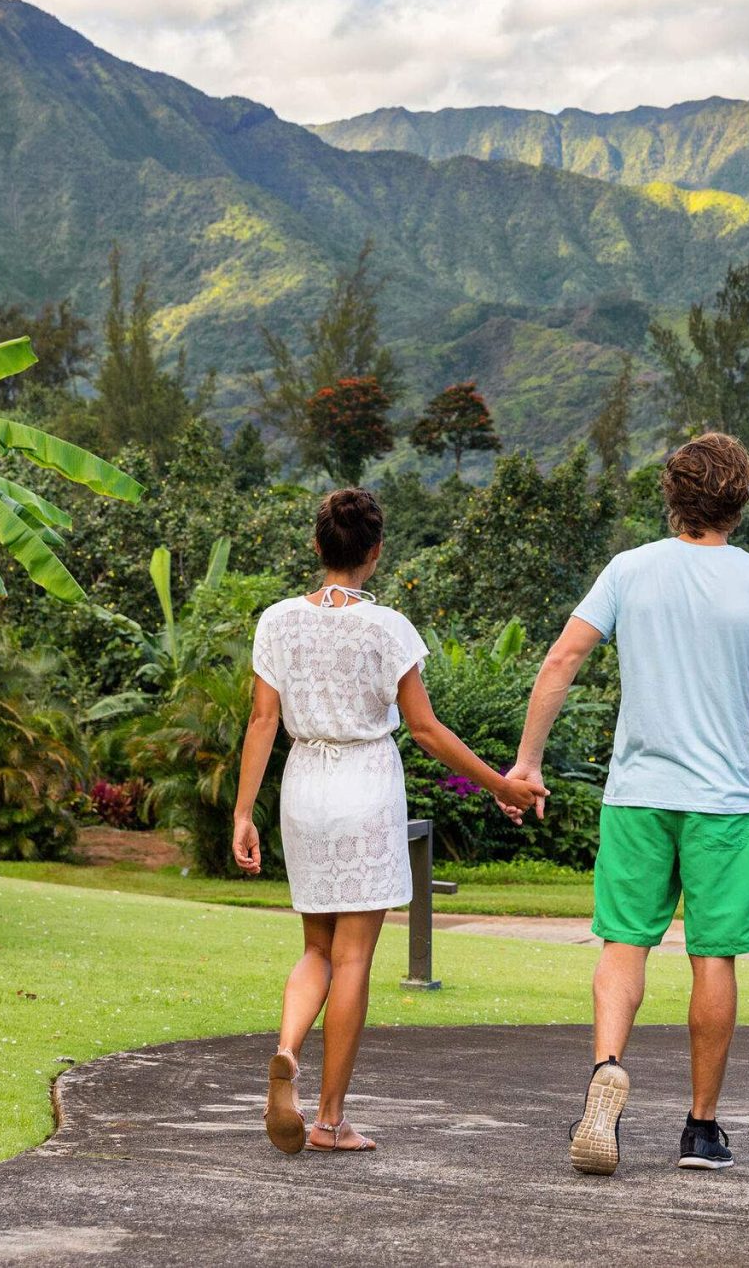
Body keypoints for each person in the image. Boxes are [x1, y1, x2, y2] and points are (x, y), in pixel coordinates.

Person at [506, 431, 749, 1175]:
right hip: (724, 801)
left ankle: (606, 1070)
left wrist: (528, 759)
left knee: (623, 943)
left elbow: (562, 658)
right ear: (739, 499)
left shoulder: (628, 570)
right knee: (714, 956)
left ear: (672, 497)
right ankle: (702, 1130)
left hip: (637, 793)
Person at [232, 486, 543, 1156]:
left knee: (316, 949)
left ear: (318, 546)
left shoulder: (276, 621)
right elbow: (426, 729)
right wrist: (501, 784)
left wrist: (241, 814)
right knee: (354, 959)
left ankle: (287, 1048)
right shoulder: (387, 627)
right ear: (374, 552)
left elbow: (262, 721)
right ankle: (330, 1119)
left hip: (304, 787)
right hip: (366, 786)